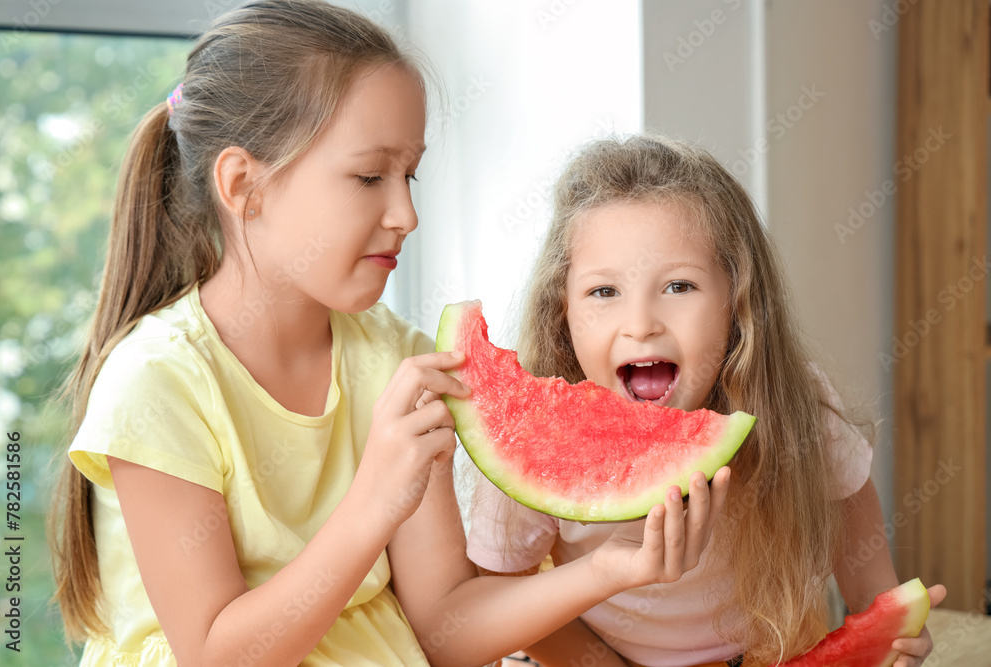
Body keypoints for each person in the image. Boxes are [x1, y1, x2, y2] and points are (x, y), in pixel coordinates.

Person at [49, 4, 732, 666]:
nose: (406, 212)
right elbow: (216, 655)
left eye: (409, 174)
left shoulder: (394, 359)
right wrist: (372, 502)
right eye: (369, 176)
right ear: (244, 185)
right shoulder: (158, 381)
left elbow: (446, 632)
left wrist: (611, 569)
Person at [465, 135, 946, 667]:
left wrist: (885, 620)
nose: (642, 324)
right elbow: (499, 590)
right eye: (604, 292)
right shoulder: (533, 435)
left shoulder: (795, 403)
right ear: (563, 312)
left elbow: (852, 520)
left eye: (678, 287)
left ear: (737, 300)